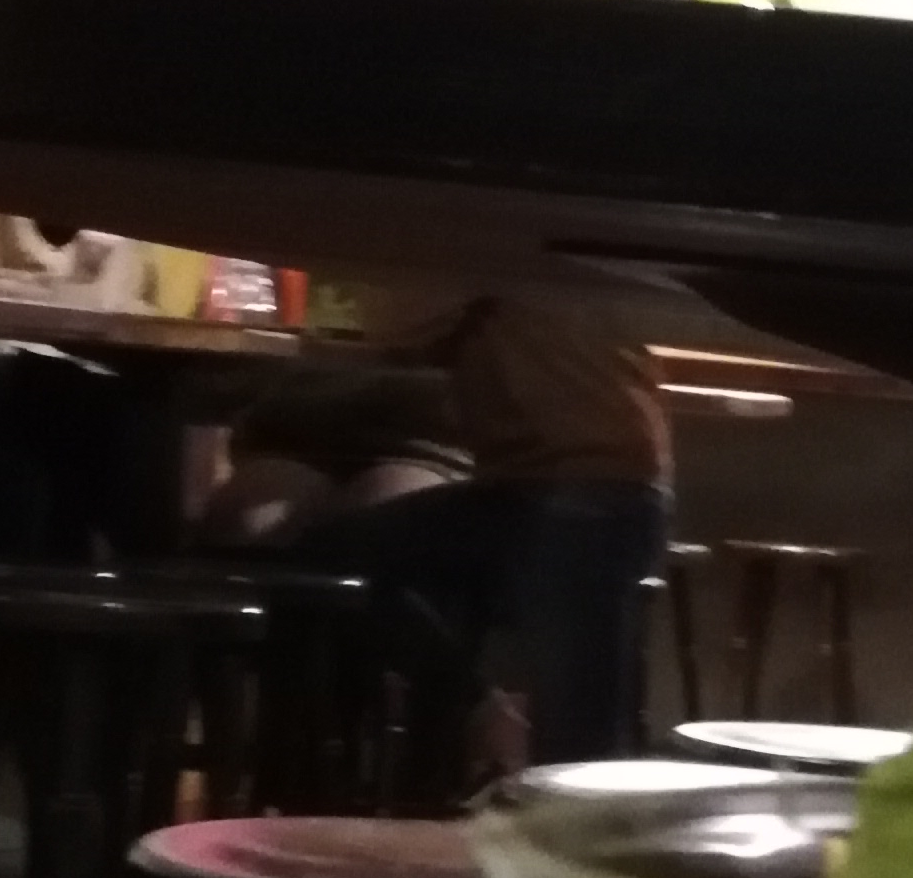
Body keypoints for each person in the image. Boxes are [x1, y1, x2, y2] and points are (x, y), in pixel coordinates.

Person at [207, 282, 673, 770]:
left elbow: (394, 324)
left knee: (334, 557)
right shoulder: (573, 268)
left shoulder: (473, 258)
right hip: (623, 490)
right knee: (583, 730)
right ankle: (478, 732)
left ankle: (467, 725)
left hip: (560, 493)